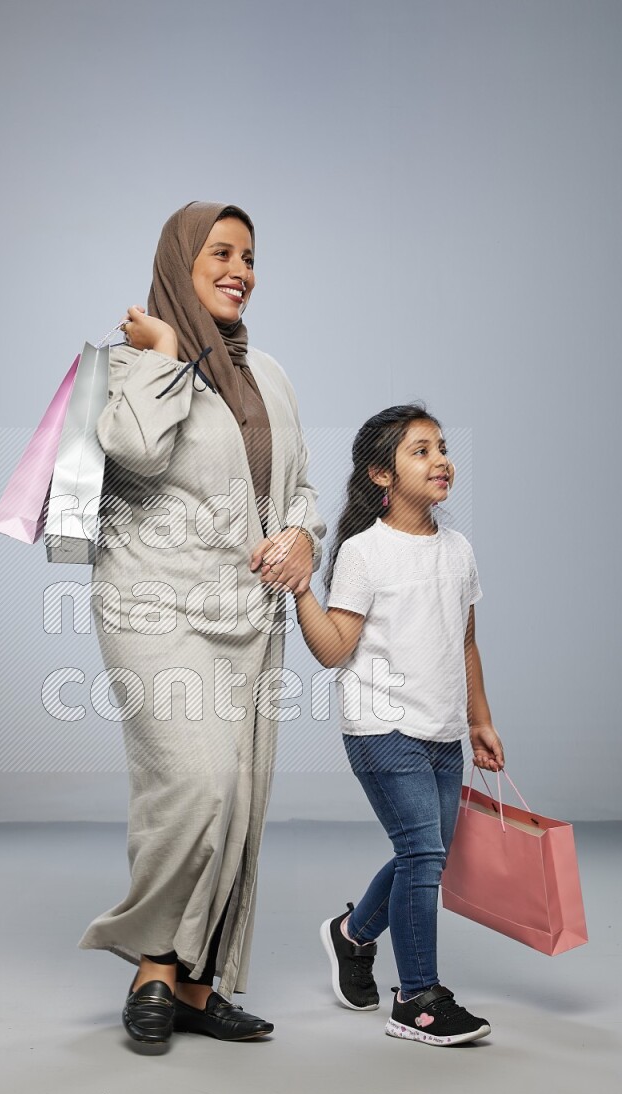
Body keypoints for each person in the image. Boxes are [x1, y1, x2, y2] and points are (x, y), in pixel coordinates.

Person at [78, 201, 326, 1050]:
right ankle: (153, 964)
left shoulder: (270, 376)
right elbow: (138, 450)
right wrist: (164, 355)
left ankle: (193, 983)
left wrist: (303, 536)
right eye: (220, 253)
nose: (240, 271)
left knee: (239, 801)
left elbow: (299, 487)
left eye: (249, 257)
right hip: (152, 606)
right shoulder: (129, 364)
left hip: (248, 613)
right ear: (179, 261)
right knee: (195, 784)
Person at [294, 404, 503, 1047]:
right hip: (381, 726)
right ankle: (417, 999)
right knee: (422, 854)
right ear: (381, 475)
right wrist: (301, 590)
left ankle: (352, 934)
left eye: (442, 447)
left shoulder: (458, 550)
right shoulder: (363, 553)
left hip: (443, 732)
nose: (441, 460)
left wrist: (480, 720)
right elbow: (335, 649)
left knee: (428, 855)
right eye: (421, 451)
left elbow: (464, 641)